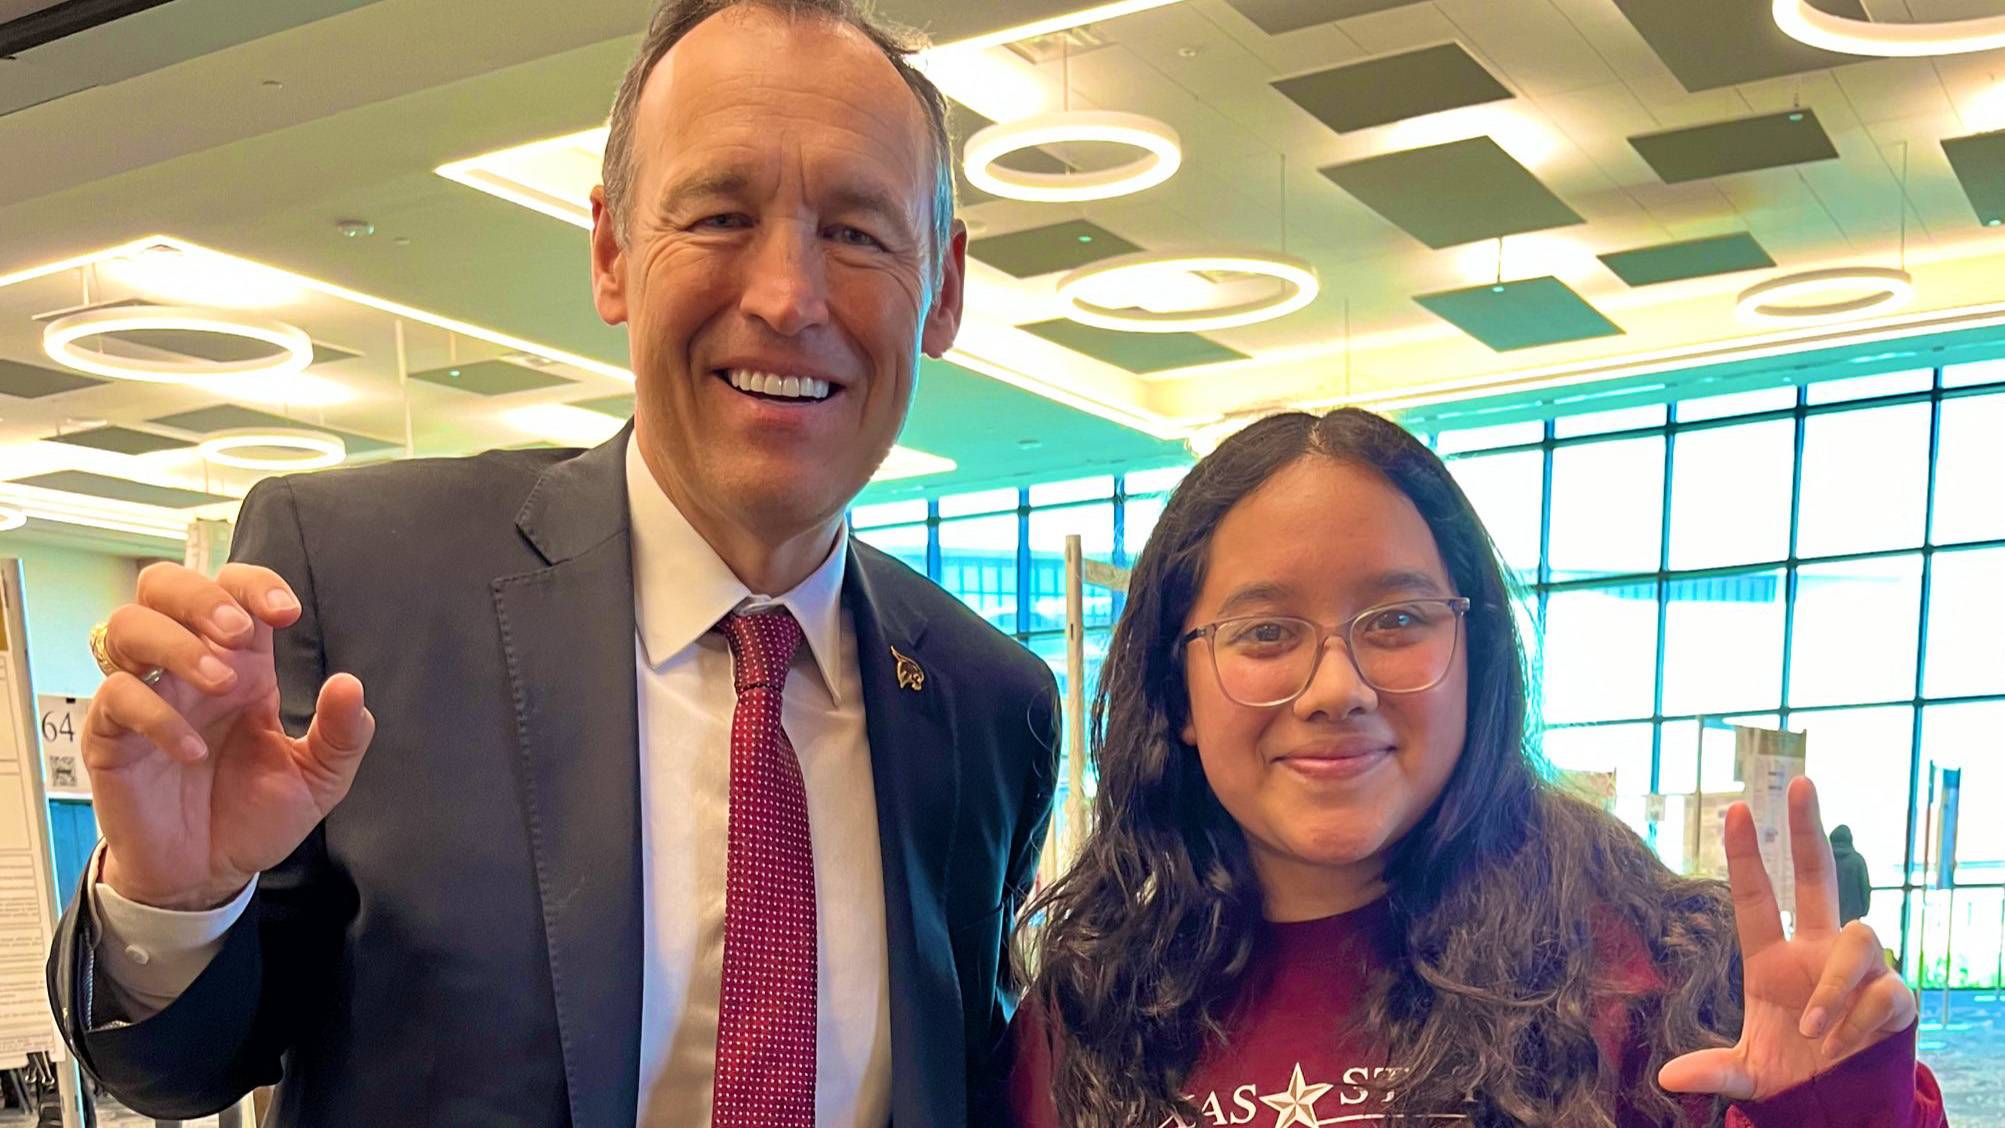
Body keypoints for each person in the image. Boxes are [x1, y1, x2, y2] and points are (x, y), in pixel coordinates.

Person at [45, 2, 1060, 1124]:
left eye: (860, 232)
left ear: (947, 288)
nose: (786, 297)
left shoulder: (989, 704)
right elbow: (185, 1066)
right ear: (614, 251)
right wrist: (181, 903)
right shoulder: (359, 582)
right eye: (719, 215)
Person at [1006, 409, 1943, 1128]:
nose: (1336, 687)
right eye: (1264, 633)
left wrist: (1841, 1106)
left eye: (1397, 621)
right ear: (1176, 696)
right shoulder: (1088, 1015)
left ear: (1475, 657)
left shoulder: (1662, 976)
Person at [1831, 824, 1872, 927]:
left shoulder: (1825, 860)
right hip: (1853, 915)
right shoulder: (1857, 860)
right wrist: (1864, 909)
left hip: (1829, 914)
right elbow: (1864, 887)